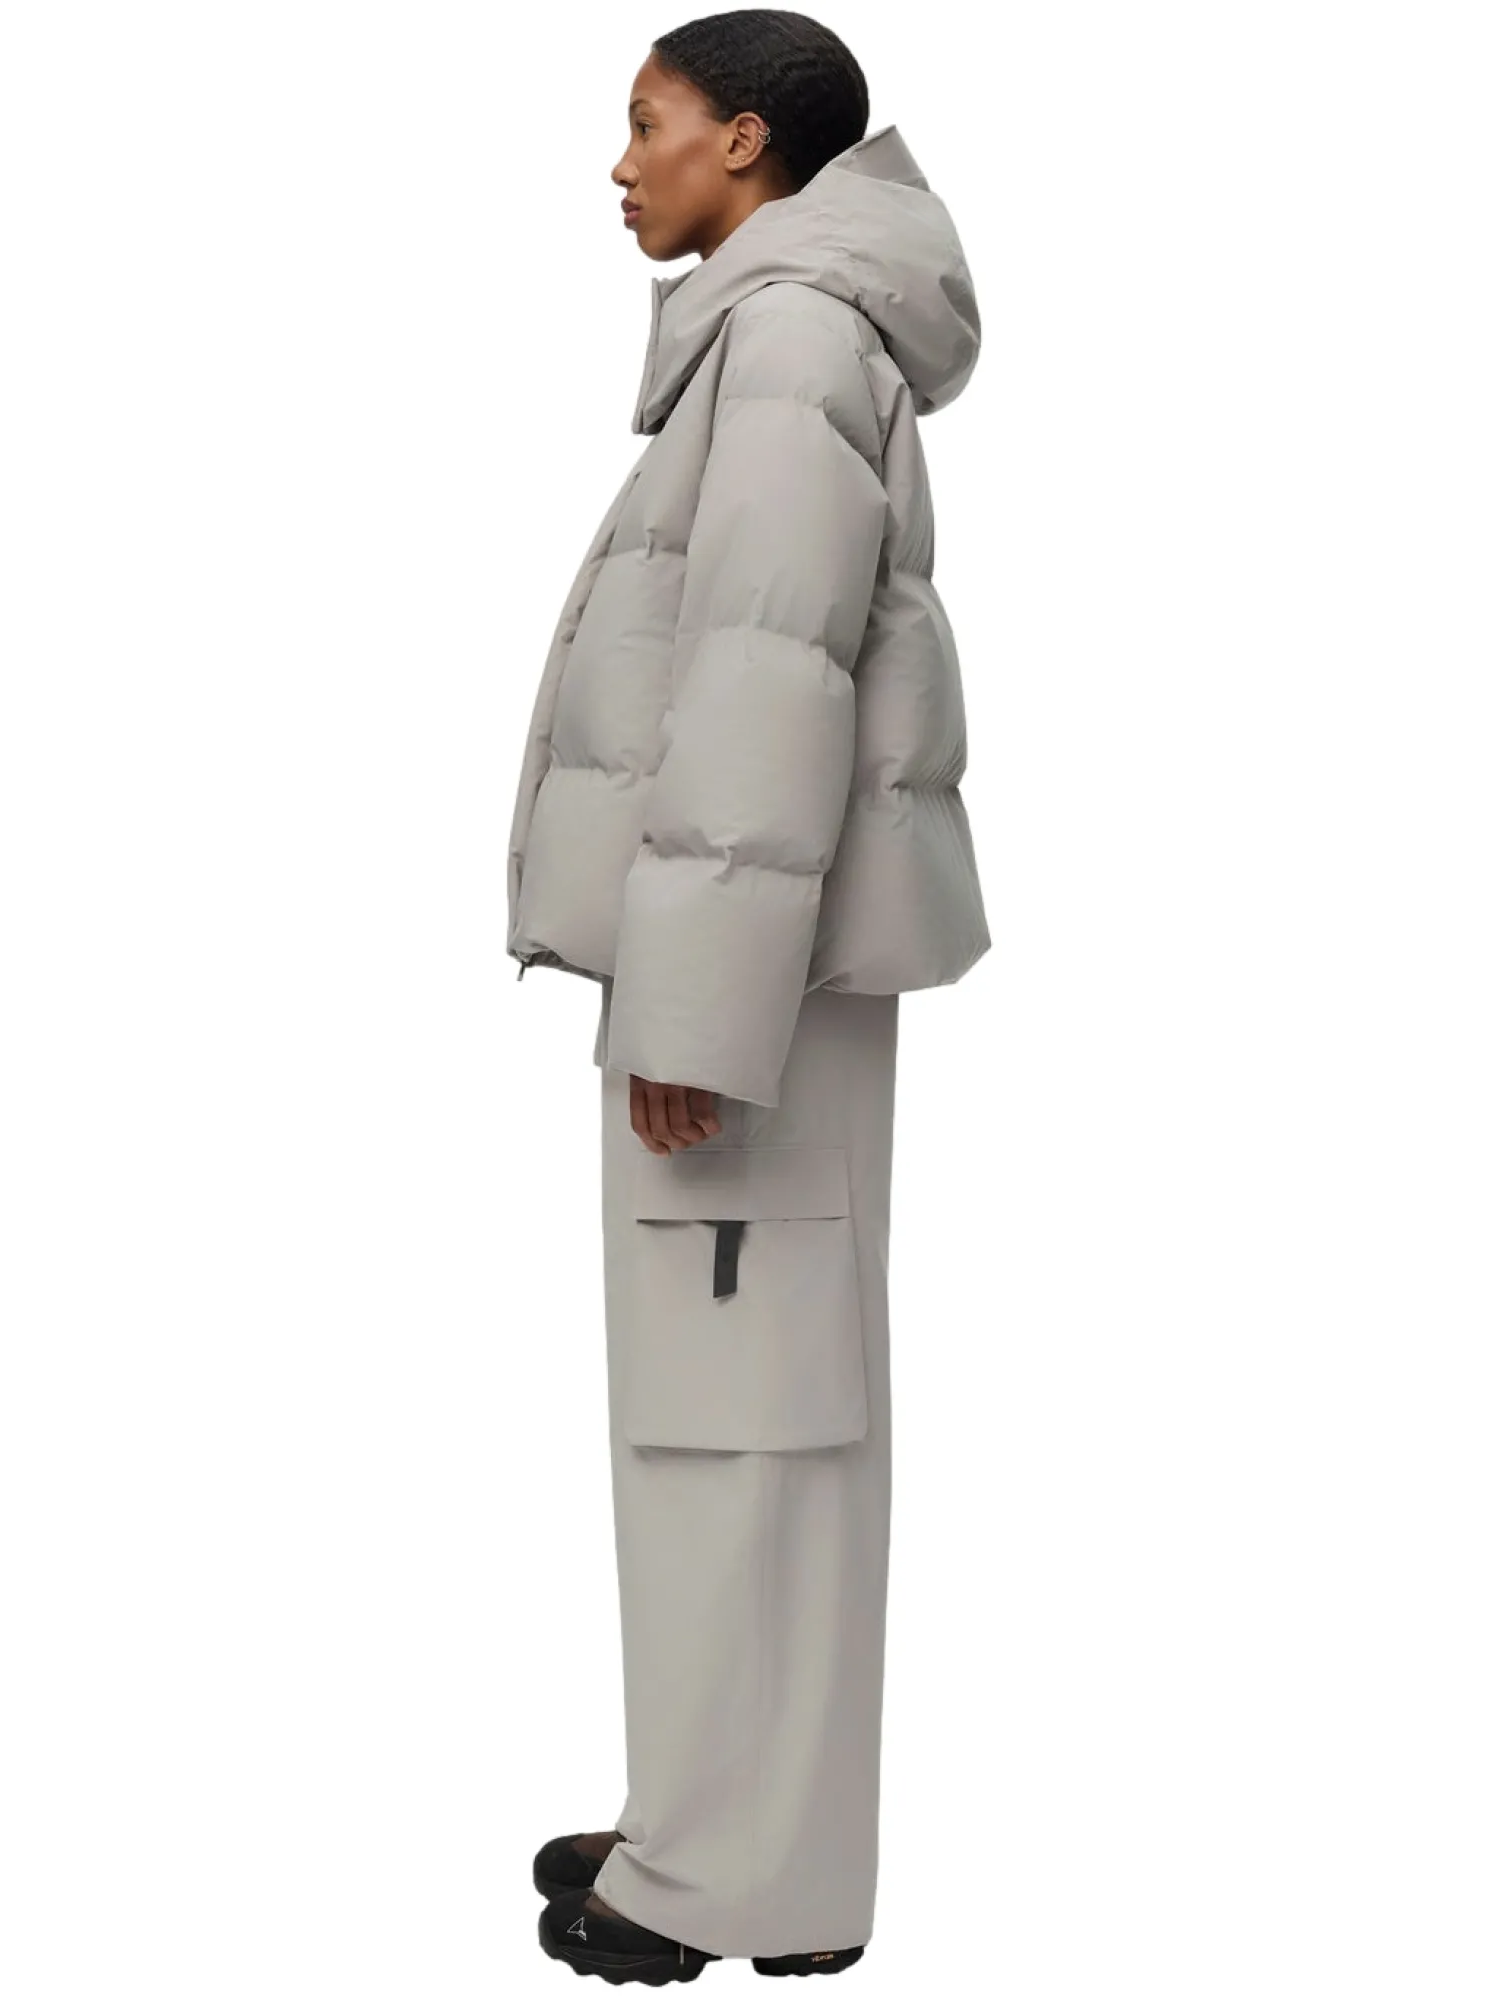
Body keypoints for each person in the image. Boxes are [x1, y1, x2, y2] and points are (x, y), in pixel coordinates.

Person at [506, 9, 989, 1982]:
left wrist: (694, 1015)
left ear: (751, 144)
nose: (621, 163)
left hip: (746, 988)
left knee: (746, 1429)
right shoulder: (785, 329)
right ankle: (720, 1822)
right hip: (760, 964)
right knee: (746, 1413)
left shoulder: (786, 337)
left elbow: (765, 686)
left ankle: (732, 1877)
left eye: (651, 123)